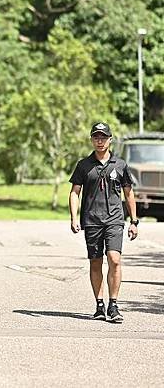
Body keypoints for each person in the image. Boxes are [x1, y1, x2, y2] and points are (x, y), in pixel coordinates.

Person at [69, 122, 138, 323]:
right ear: (92, 139)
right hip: (91, 220)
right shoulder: (84, 165)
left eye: (103, 137)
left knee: (114, 259)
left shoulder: (120, 164)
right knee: (96, 261)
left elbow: (128, 193)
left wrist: (134, 221)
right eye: (96, 137)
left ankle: (113, 305)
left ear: (110, 139)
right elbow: (75, 193)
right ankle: (99, 305)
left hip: (115, 219)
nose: (99, 141)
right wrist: (74, 217)